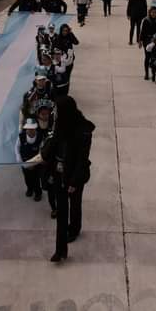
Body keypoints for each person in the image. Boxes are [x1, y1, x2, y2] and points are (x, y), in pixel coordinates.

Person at [34, 96, 95, 262]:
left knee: (74, 205)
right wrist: (42, 156)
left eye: (58, 110)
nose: (55, 113)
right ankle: (60, 250)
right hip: (59, 174)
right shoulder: (60, 121)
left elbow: (82, 160)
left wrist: (74, 182)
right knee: (61, 212)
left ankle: (74, 229)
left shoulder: (83, 131)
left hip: (75, 176)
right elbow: (52, 142)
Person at [16, 118, 44, 201]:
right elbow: (17, 150)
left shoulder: (40, 137)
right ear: (26, 129)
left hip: (36, 164)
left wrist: (33, 164)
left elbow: (41, 152)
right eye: (28, 129)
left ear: (35, 128)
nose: (30, 130)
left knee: (36, 179)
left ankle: (38, 193)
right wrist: (23, 164)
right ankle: (30, 189)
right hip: (24, 164)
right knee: (27, 178)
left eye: (32, 129)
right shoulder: (21, 137)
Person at [139, 7, 156, 80]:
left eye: (155, 12)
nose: (154, 14)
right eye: (152, 12)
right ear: (150, 13)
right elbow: (142, 32)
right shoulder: (146, 20)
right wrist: (140, 41)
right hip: (147, 40)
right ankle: (146, 73)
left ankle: (155, 73)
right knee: (147, 57)